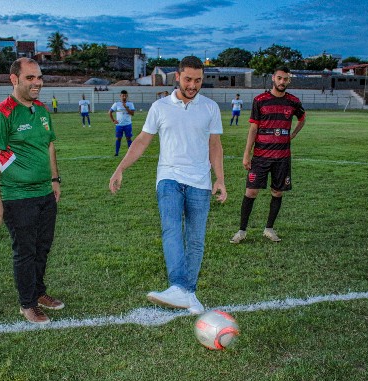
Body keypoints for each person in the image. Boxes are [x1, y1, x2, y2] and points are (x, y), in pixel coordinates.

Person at [109, 56, 226, 315]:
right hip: (169, 178)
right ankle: (177, 287)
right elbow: (142, 140)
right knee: (171, 229)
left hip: (200, 182)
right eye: (188, 79)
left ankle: (188, 293)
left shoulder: (210, 108)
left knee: (195, 239)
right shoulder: (160, 107)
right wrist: (120, 168)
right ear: (177, 77)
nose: (192, 85)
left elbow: (215, 145)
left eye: (198, 80)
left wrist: (220, 179)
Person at [0, 57, 64, 324]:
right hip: (18, 197)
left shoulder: (41, 110)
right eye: (30, 78)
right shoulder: (1, 114)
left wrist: (55, 180)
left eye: (39, 77)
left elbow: (49, 146)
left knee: (43, 248)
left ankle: (38, 293)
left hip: (45, 193)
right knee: (26, 251)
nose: (37, 82)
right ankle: (27, 304)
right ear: (14, 79)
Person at [230, 66, 306, 244]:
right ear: (273, 78)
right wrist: (246, 154)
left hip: (282, 157)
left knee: (277, 192)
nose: (282, 82)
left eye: (285, 79)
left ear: (289, 80)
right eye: (279, 78)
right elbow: (253, 128)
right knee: (251, 192)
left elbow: (302, 119)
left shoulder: (293, 101)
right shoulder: (260, 100)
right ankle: (241, 231)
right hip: (261, 156)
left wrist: (293, 134)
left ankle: (269, 229)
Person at [109, 90, 135, 156]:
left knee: (128, 138)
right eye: (123, 96)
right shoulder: (116, 104)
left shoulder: (130, 104)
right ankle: (116, 153)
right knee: (118, 138)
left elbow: (132, 114)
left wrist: (126, 107)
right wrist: (113, 120)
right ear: (120, 96)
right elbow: (110, 112)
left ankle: (130, 153)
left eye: (125, 96)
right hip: (119, 125)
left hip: (128, 125)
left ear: (127, 96)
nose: (124, 97)